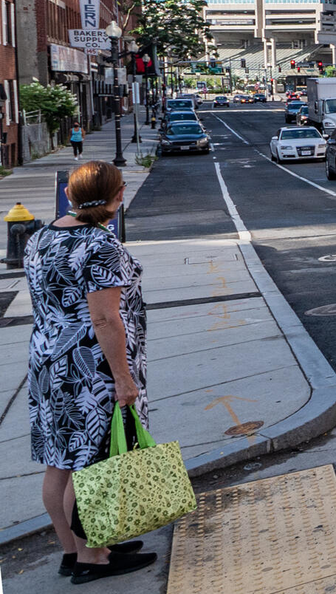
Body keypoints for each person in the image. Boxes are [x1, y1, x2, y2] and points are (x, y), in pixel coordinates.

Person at [26, 161, 158, 581]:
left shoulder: (40, 237)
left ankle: (73, 551)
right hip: (90, 368)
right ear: (119, 197)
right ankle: (93, 557)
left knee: (59, 461)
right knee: (92, 461)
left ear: (70, 195)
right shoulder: (101, 245)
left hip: (48, 362)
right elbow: (105, 319)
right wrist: (122, 376)